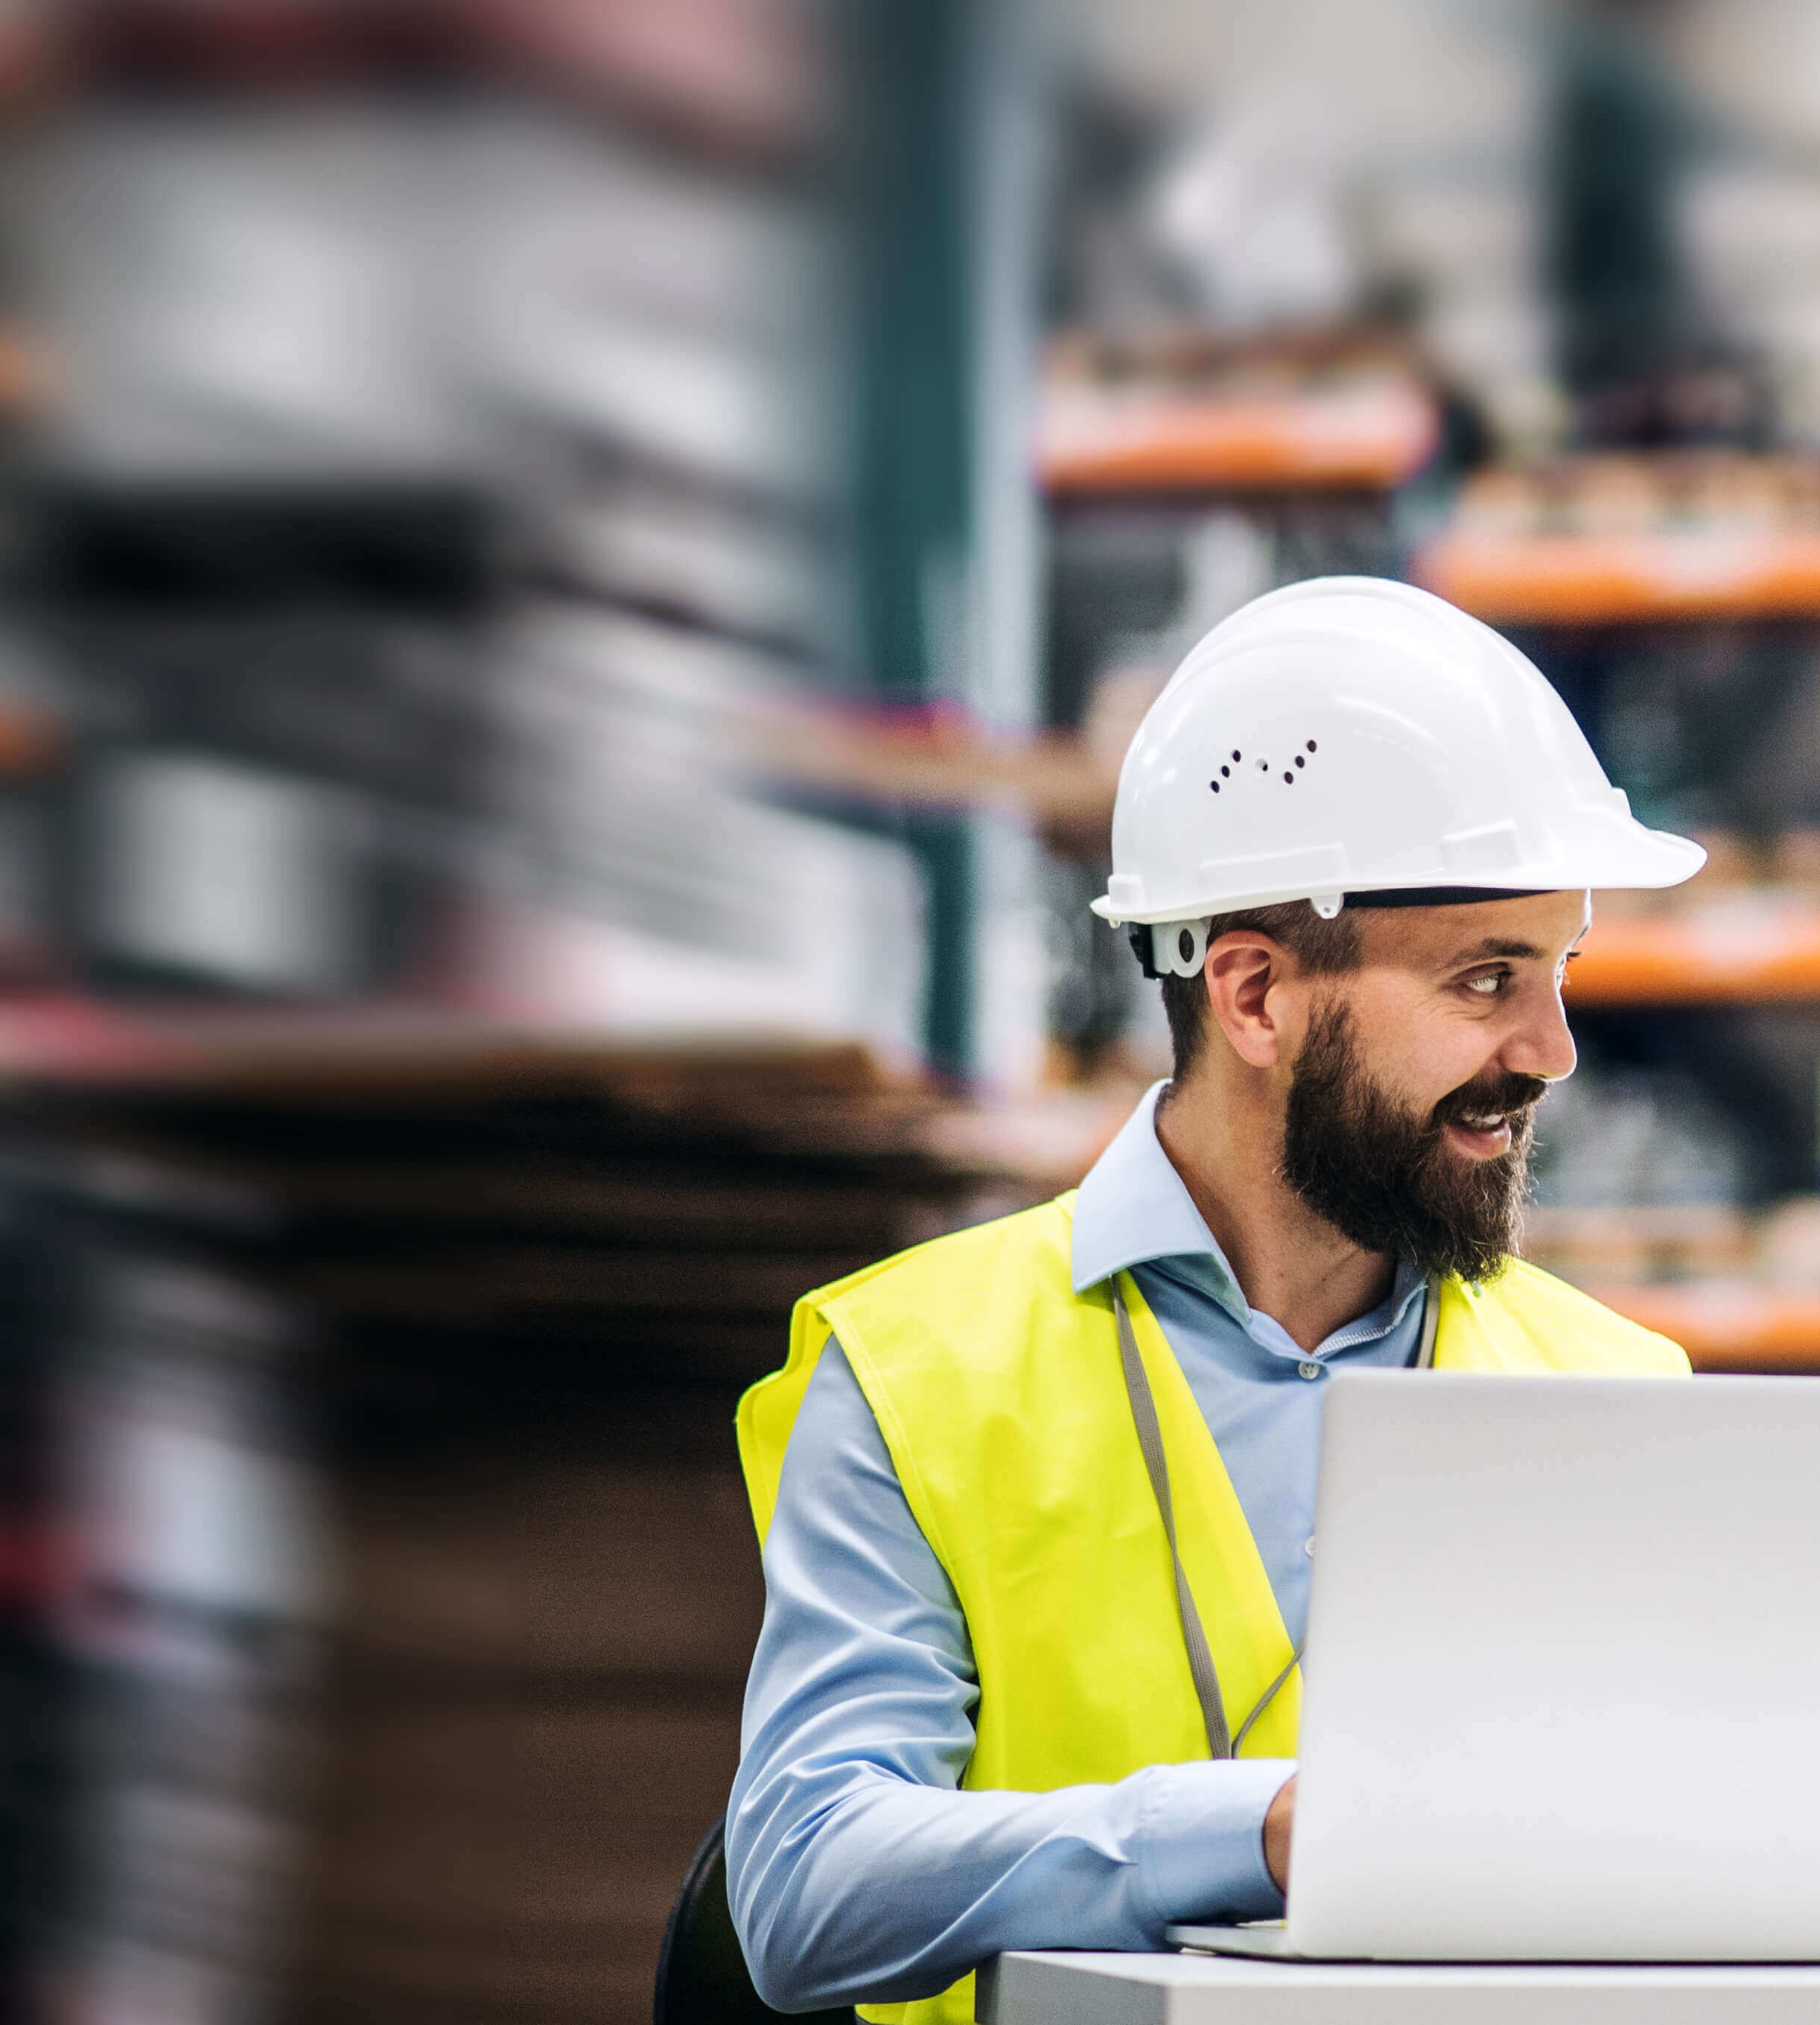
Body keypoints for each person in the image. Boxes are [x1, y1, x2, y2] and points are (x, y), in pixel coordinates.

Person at [725, 579, 1705, 2021]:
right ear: (1253, 994)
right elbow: (808, 1884)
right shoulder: (916, 1373)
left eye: (1559, 972)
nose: (1551, 1047)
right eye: (1488, 976)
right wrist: (1244, 1835)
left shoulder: (1620, 1394)